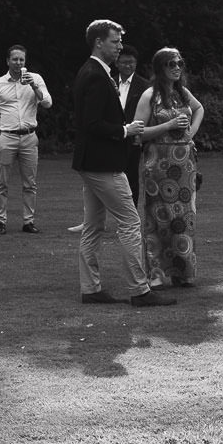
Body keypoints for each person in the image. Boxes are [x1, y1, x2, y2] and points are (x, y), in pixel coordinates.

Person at [71, 20, 174, 308]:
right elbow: (91, 124)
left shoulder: (94, 72)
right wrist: (125, 130)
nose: (119, 47)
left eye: (118, 41)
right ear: (98, 43)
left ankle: (90, 289)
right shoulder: (94, 74)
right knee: (130, 222)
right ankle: (139, 290)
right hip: (102, 164)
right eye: (114, 42)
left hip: (92, 162)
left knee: (93, 226)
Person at [135, 48, 205, 288]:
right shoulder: (149, 96)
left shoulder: (182, 93)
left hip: (185, 166)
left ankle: (183, 272)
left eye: (180, 63)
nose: (177, 67)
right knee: (159, 220)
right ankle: (156, 273)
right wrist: (170, 125)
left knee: (184, 219)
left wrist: (191, 132)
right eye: (171, 64)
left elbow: (199, 108)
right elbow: (139, 132)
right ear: (160, 68)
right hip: (159, 166)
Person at [0, 44, 53, 234]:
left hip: (29, 137)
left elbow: (47, 103)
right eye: (14, 59)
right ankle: (0, 222)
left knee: (30, 183)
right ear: (8, 61)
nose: (18, 62)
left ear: (25, 62)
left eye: (21, 59)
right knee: (2, 183)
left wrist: (33, 85)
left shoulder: (36, 80)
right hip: (6, 136)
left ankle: (28, 221)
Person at [114, 47, 146, 202]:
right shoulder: (109, 82)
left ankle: (131, 217)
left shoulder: (144, 86)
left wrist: (141, 135)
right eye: (124, 62)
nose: (128, 66)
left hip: (133, 138)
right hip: (112, 134)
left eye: (131, 62)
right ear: (117, 63)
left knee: (131, 177)